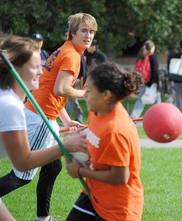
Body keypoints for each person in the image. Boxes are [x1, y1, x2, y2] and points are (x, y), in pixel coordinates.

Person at [0, 13, 98, 221]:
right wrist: (89, 94)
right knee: (22, 176)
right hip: (41, 115)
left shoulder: (67, 51)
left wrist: (66, 120)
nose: (88, 35)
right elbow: (61, 89)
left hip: (45, 112)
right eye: (83, 31)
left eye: (91, 32)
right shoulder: (72, 55)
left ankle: (42, 218)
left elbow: (51, 89)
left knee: (53, 166)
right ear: (72, 33)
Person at [65, 63, 144, 221]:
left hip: (118, 210)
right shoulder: (96, 112)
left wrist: (79, 172)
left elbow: (120, 177)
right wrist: (72, 143)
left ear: (106, 95)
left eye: (89, 91)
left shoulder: (116, 130)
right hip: (94, 193)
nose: (85, 96)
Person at [130, 40, 160, 119]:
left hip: (143, 82)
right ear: (152, 48)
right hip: (152, 83)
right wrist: (156, 82)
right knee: (157, 102)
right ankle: (159, 118)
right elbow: (155, 70)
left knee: (140, 101)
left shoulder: (141, 57)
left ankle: (133, 117)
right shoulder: (153, 57)